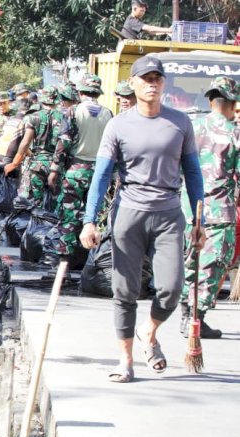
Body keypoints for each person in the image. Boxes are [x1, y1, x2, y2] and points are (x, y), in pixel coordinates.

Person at [80, 55, 206, 383]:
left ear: (163, 83)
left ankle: (148, 332)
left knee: (171, 288)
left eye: (157, 78)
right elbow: (102, 175)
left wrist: (199, 219)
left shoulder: (180, 123)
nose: (152, 83)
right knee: (124, 291)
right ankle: (125, 359)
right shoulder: (118, 125)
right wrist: (89, 220)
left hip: (168, 215)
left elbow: (192, 172)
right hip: (129, 215)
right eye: (145, 78)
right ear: (133, 84)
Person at [179, 77, 239, 340]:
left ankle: (185, 313)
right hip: (219, 210)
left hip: (187, 209)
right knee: (213, 265)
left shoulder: (191, 126)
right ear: (232, 103)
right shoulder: (235, 133)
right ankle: (197, 317)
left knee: (189, 261)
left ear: (210, 100)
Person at [49, 75, 113, 264]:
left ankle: (64, 262)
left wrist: (54, 169)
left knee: (69, 216)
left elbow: (64, 142)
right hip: (100, 173)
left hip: (76, 171)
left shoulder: (73, 111)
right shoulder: (108, 114)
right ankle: (92, 261)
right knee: (95, 217)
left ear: (80, 91)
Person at [12, 86, 65, 205]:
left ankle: (38, 222)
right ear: (57, 99)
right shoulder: (64, 118)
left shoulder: (34, 117)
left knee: (35, 203)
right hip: (56, 165)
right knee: (56, 203)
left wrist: (15, 162)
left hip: (37, 164)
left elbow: (25, 143)